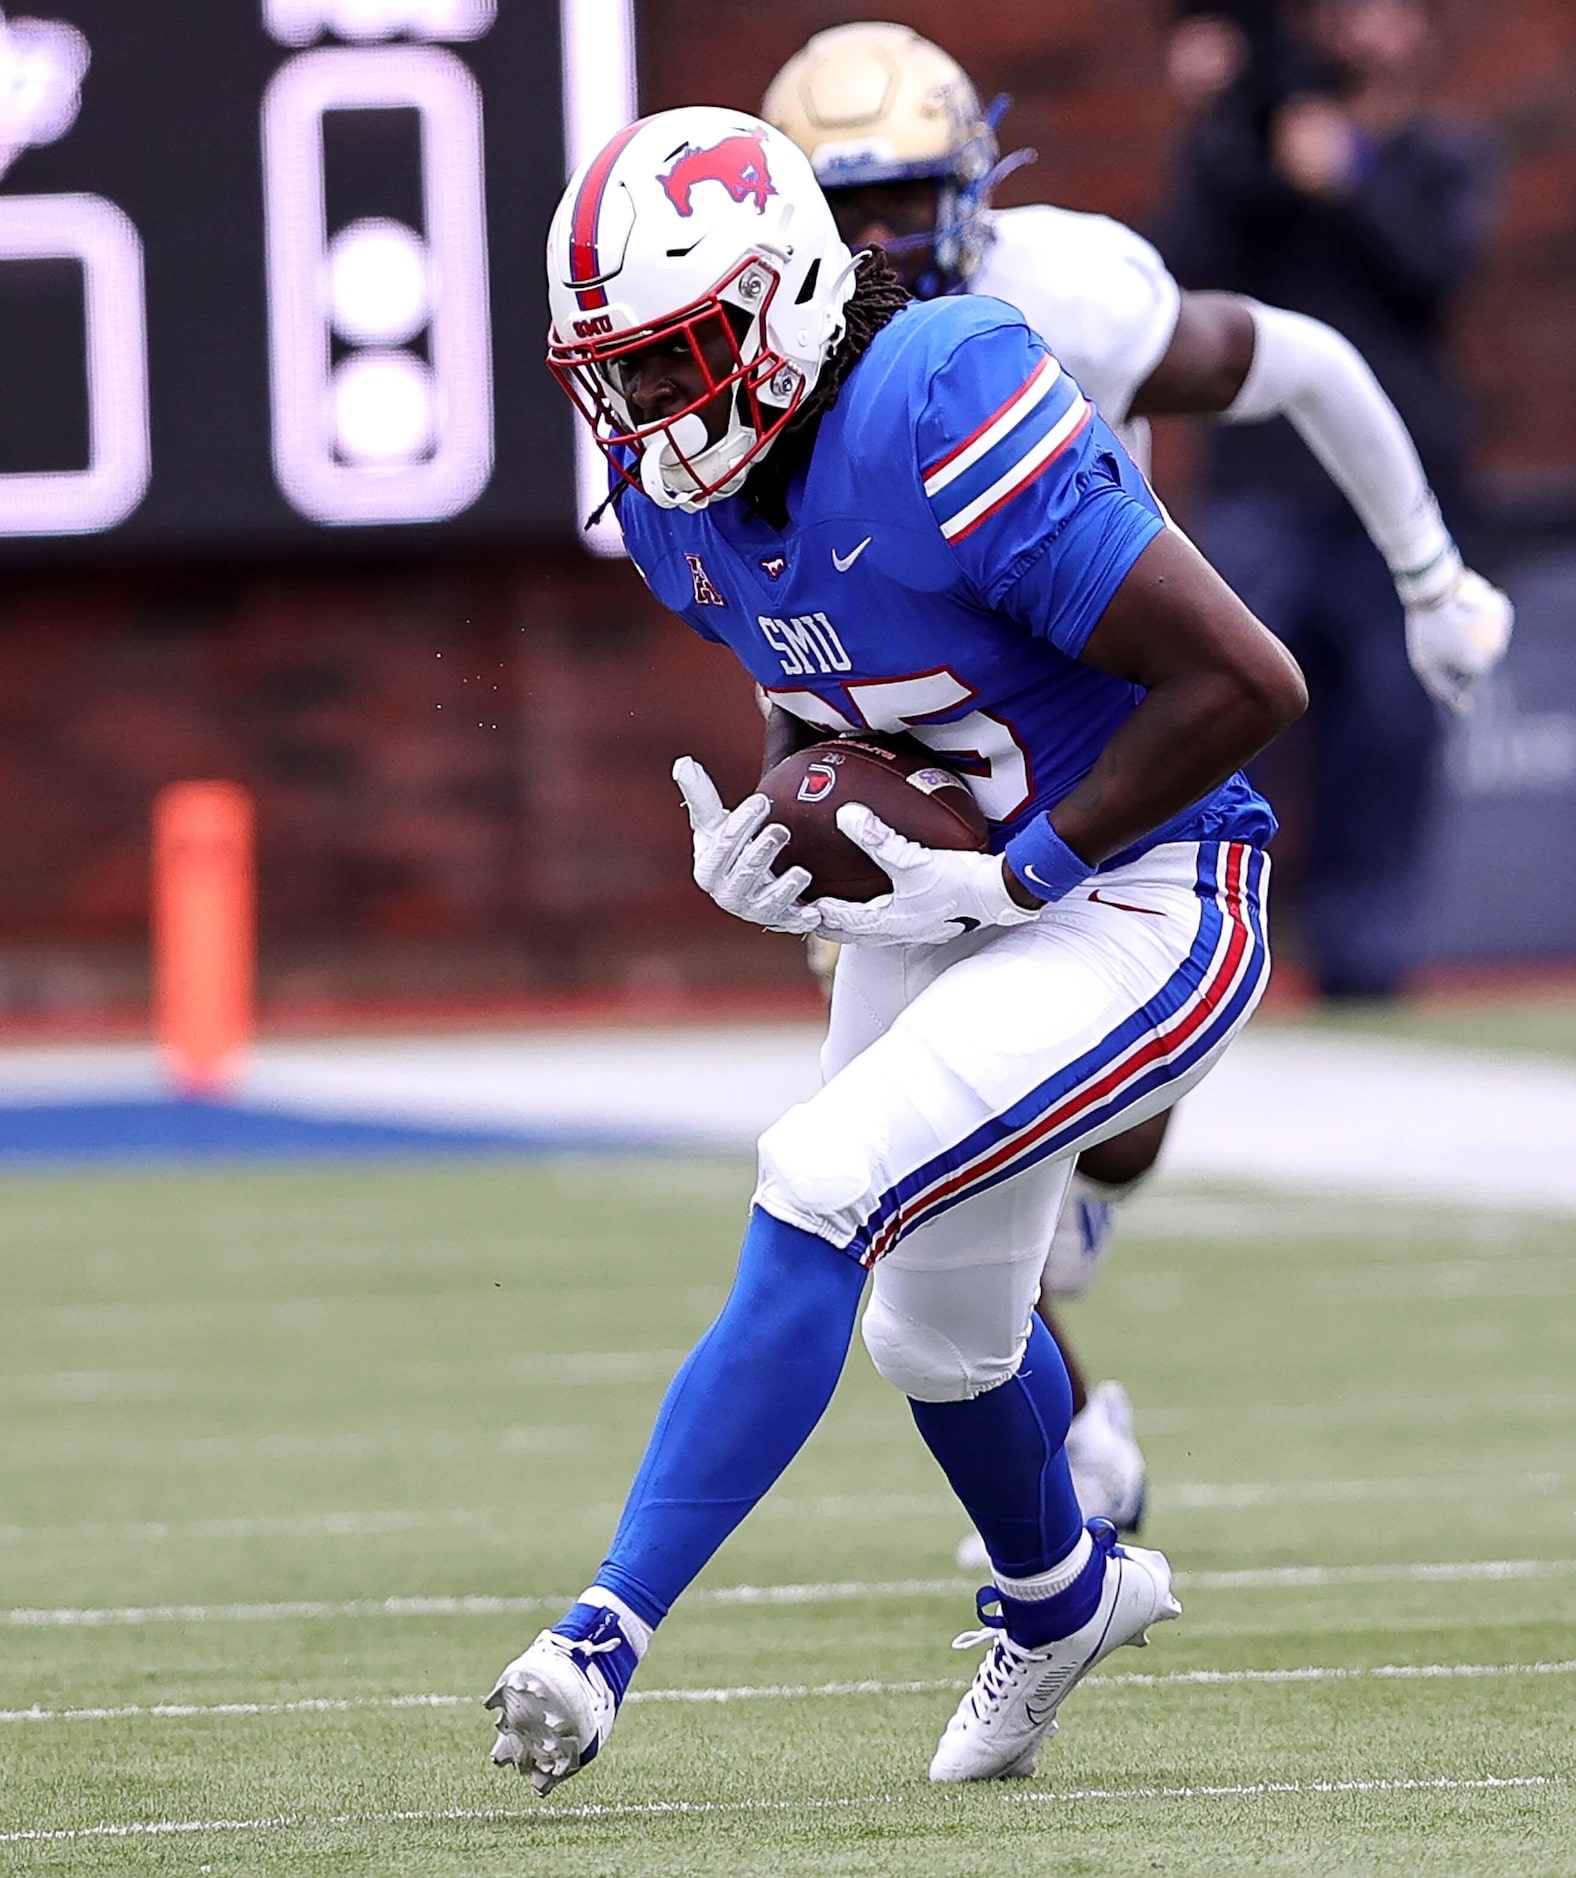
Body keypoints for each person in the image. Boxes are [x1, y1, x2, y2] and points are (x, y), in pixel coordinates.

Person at [485, 103, 1307, 1793]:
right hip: (963, 892)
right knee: (932, 1337)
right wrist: (792, 837)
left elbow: (1247, 686)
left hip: (1145, 888)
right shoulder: (674, 503)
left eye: (676, 361)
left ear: (784, 307)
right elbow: (835, 711)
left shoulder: (939, 394)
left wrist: (1014, 876)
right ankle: (1061, 1591)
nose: (642, 414)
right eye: (616, 374)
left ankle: (600, 1630)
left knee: (818, 1172)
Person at [759, 19, 1512, 1550]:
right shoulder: (774, 364)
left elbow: (1304, 359)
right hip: (926, 768)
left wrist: (1430, 576)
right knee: (921, 1172)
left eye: (905, 199)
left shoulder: (1060, 294)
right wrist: (797, 795)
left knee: (1096, 1137)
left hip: (1119, 749)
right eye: (844, 215)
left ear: (972, 183)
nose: (882, 243)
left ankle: (1079, 1283)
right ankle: (1075, 1465)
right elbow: (780, 604)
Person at [1160, 0, 1500, 1000]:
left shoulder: (1441, 153)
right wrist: (1221, 127)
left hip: (1400, 496)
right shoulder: (1248, 152)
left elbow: (1432, 272)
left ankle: (1366, 957)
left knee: (1390, 728)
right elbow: (1179, 270)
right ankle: (1211, 950)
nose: (1367, 30)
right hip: (1265, 485)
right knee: (1223, 718)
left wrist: (1342, 175)